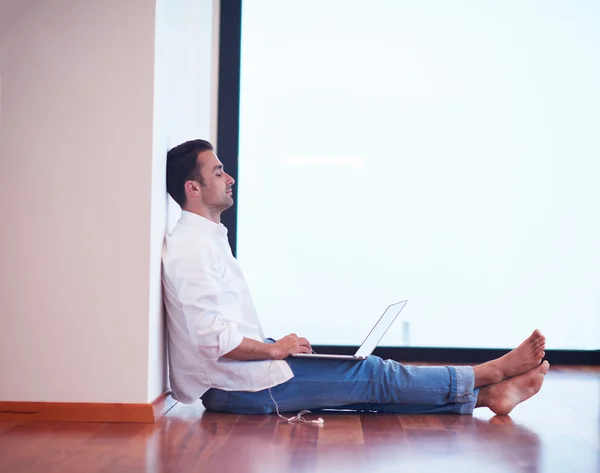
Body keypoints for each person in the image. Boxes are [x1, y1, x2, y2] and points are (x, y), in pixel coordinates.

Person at [162, 139, 549, 417]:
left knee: (369, 387)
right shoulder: (193, 247)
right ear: (193, 188)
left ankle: (488, 397)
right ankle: (490, 373)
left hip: (241, 379)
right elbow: (211, 338)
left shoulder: (205, 240)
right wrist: (274, 349)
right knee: (372, 374)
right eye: (217, 172)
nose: (229, 178)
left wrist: (273, 347)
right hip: (237, 388)